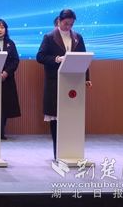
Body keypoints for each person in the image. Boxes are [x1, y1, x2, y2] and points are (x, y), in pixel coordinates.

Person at [36, 9, 92, 159]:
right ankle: (58, 153)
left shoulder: (78, 37)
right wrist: (56, 59)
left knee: (72, 116)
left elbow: (84, 59)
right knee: (56, 117)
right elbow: (40, 57)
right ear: (59, 21)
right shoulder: (49, 37)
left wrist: (86, 78)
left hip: (74, 83)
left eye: (71, 24)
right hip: (55, 83)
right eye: (66, 23)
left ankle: (73, 152)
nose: (68, 27)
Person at [0, 18, 21, 140]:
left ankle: (1, 131)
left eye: (2, 27)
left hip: (6, 79)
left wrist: (6, 72)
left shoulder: (10, 43)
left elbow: (15, 60)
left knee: (5, 106)